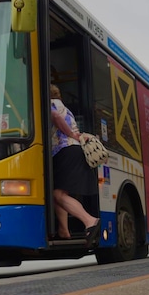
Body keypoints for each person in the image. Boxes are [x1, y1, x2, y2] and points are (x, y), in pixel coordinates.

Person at [50, 84, 100, 246]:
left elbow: (55, 117)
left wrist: (71, 134)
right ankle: (64, 230)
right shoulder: (64, 106)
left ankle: (90, 221)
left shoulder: (52, 104)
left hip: (66, 150)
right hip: (71, 151)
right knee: (58, 192)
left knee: (59, 195)